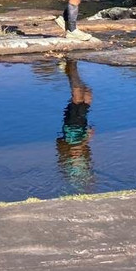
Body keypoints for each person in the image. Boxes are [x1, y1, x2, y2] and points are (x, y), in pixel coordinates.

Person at [56, 59, 95, 193]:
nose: (76, 153)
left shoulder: (69, 144)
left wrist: (85, 140)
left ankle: (71, 65)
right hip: (82, 121)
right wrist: (88, 137)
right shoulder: (82, 146)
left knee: (77, 95)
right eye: (78, 155)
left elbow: (64, 144)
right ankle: (70, 70)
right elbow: (82, 147)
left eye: (74, 154)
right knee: (88, 94)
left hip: (72, 122)